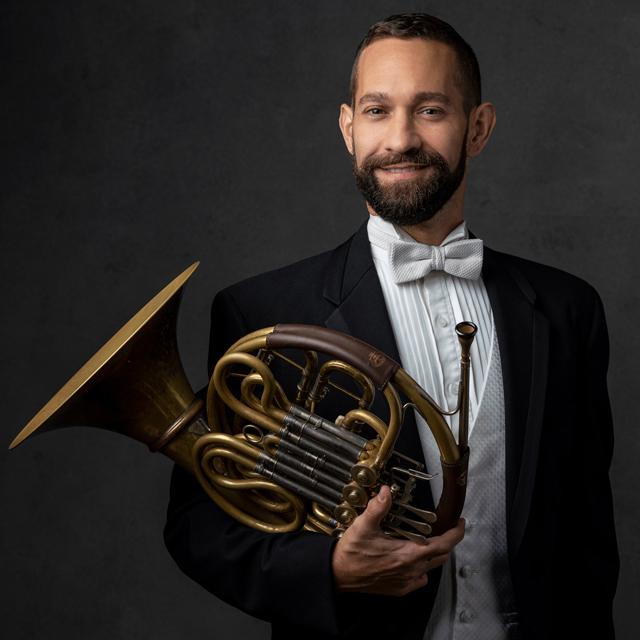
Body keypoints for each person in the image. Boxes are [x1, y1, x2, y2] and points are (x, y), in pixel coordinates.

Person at [164, 13, 618, 640]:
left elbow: (589, 536)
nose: (400, 138)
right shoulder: (262, 312)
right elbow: (200, 525)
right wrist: (327, 568)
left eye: (430, 110)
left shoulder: (568, 309)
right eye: (377, 111)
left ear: (478, 128)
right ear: (348, 128)